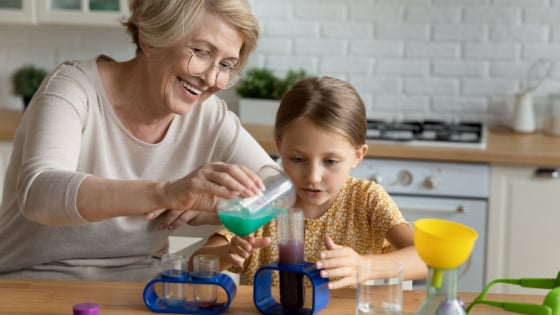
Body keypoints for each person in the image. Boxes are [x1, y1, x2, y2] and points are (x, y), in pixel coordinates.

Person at [0, 0, 275, 281]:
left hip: (141, 291)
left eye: (226, 65)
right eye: (202, 52)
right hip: (34, 282)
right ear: (150, 38)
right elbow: (39, 193)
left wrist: (211, 210)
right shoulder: (73, 88)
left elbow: (282, 187)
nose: (212, 78)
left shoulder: (209, 117)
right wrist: (165, 193)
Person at [190, 76, 428, 289]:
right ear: (280, 145)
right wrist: (225, 255)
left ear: (358, 156)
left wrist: (364, 266)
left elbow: (425, 259)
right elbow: (195, 264)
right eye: (298, 159)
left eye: (331, 161)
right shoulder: (262, 197)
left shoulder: (367, 199)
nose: (313, 176)